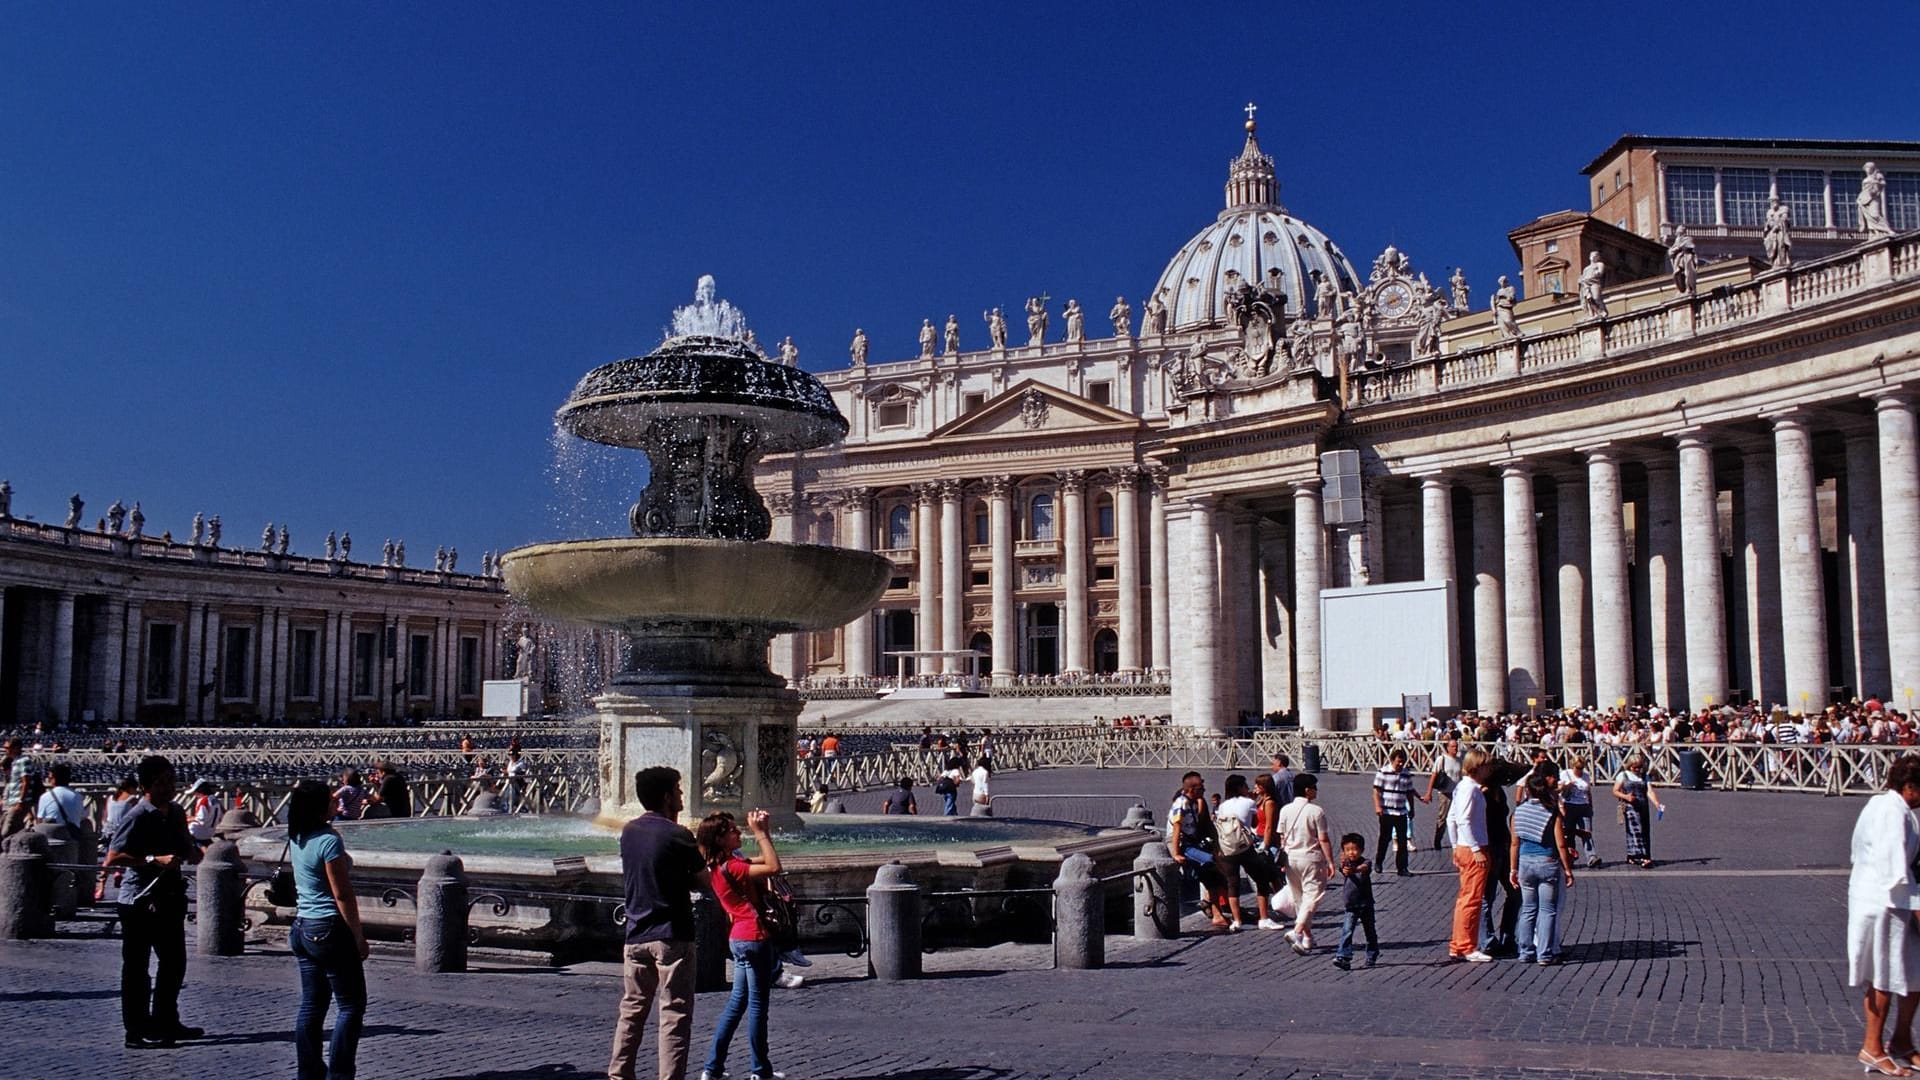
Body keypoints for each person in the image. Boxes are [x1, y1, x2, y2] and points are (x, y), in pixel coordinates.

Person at [608, 766, 707, 1080]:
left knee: (631, 1013)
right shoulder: (678, 835)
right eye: (678, 790)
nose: (681, 795)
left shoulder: (629, 831)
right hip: (671, 936)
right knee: (674, 1015)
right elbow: (704, 881)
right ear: (667, 797)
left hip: (635, 935)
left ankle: (619, 1074)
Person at [104, 755, 205, 1048]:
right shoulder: (137, 815)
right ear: (149, 785)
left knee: (174, 963)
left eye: (173, 779)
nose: (172, 786)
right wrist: (152, 859)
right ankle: (135, 1030)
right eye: (165, 781)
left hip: (169, 897)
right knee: (137, 968)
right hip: (138, 900)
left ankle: (165, 1021)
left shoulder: (175, 812)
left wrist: (192, 851)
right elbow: (113, 858)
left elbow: (185, 845)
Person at [286, 779, 368, 1080]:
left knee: (312, 1005)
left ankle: (308, 1072)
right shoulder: (329, 840)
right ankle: (340, 1074)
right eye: (330, 800)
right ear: (320, 807)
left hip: (302, 926)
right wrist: (358, 936)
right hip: (329, 927)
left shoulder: (296, 836)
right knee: (351, 1005)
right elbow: (342, 894)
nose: (336, 803)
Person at [697, 809, 786, 1080]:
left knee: (737, 1003)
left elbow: (763, 860)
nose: (738, 833)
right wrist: (762, 833)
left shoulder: (719, 865)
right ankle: (761, 1071)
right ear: (721, 839)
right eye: (732, 830)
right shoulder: (734, 867)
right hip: (754, 936)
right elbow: (774, 867)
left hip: (738, 938)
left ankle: (712, 1068)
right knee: (758, 1006)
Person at [1848, 754, 1920, 1076]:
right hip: (1884, 902)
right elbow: (1896, 871)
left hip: (1891, 899)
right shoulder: (1892, 813)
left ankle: (1902, 1040)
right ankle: (1872, 1047)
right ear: (1909, 787)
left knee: (1915, 974)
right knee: (1884, 977)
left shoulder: (1888, 806)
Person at [1510, 771, 1575, 966]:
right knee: (1547, 910)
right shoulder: (1551, 811)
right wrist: (1567, 869)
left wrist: (1512, 869)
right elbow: (1560, 843)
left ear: (1528, 790)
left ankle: (1524, 951)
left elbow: (1514, 843)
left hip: (1525, 862)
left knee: (1528, 908)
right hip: (1547, 861)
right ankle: (1544, 954)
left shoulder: (1518, 812)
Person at [1213, 773, 1283, 931]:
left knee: (1232, 883)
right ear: (1239, 787)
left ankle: (1237, 921)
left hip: (1227, 848)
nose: (1248, 788)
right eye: (1245, 785)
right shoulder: (1249, 802)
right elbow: (1254, 823)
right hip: (1244, 847)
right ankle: (1264, 918)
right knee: (1261, 879)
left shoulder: (1223, 805)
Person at [1275, 772, 1334, 954]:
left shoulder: (1285, 809)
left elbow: (1282, 836)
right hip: (1311, 857)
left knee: (1299, 898)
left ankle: (1307, 938)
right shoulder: (1316, 811)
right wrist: (1331, 861)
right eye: (1314, 788)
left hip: (1291, 857)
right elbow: (1323, 839)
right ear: (1307, 790)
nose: (1316, 791)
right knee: (1312, 896)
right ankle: (1297, 931)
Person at [1447, 750, 1496, 962]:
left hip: (1464, 846)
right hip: (1474, 847)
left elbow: (1451, 819)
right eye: (1486, 766)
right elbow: (1463, 820)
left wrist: (1455, 845)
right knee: (1472, 899)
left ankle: (1459, 944)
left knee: (1465, 899)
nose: (1488, 770)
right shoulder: (1470, 789)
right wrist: (1475, 848)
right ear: (1478, 767)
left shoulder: (1462, 787)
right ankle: (1467, 945)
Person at [1167, 771, 1230, 929]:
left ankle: (1215, 910)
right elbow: (1176, 829)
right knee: (1209, 862)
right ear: (1192, 789)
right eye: (1201, 788)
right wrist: (1176, 854)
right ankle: (1214, 909)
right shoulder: (1181, 804)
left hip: (1191, 842)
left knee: (1214, 875)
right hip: (1182, 844)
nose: (1204, 790)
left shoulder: (1195, 802)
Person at [1371, 749, 1423, 876]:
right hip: (1387, 812)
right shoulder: (1383, 772)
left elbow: (1409, 793)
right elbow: (1376, 791)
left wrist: (1412, 809)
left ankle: (1402, 868)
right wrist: (1378, 807)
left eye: (1403, 762)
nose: (1400, 764)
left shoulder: (1406, 774)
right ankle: (1379, 862)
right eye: (1398, 761)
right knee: (1384, 838)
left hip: (1401, 812)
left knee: (1402, 841)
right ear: (1392, 760)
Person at [1331, 833, 1378, 970]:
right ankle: (1343, 956)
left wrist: (1354, 869)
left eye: (1355, 849)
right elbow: (1344, 869)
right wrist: (1345, 865)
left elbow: (1364, 868)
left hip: (1366, 903)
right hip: (1351, 904)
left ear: (1361, 850)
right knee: (1347, 930)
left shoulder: (1366, 862)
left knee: (1370, 931)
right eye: (1348, 849)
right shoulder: (1346, 864)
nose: (1352, 852)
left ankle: (1372, 954)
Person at [1613, 752, 1664, 867]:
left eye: (1640, 767)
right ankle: (1641, 856)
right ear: (1630, 766)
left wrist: (1657, 803)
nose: (1637, 769)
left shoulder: (1644, 776)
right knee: (1636, 830)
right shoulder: (1623, 775)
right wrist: (1626, 797)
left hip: (1643, 805)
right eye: (1635, 767)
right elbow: (1615, 791)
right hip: (1630, 806)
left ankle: (1634, 855)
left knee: (1645, 830)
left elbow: (1649, 791)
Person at [1426, 737, 1463, 849]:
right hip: (1445, 793)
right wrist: (1429, 792)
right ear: (1447, 748)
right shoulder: (1441, 759)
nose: (1455, 748)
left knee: (1458, 818)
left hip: (1457, 794)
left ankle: (1457, 841)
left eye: (1456, 746)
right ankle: (1438, 839)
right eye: (1452, 746)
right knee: (1443, 817)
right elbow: (1434, 775)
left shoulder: (1460, 760)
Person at [1562, 757, 1600, 867]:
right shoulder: (1565, 774)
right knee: (1569, 833)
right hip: (1569, 805)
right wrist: (1567, 785)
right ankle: (1570, 857)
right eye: (1578, 768)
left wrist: (1591, 806)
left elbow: (1588, 791)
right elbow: (1559, 789)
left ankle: (1591, 856)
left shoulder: (1586, 775)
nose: (1580, 770)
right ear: (1572, 766)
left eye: (1582, 768)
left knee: (1586, 832)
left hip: (1583, 805)